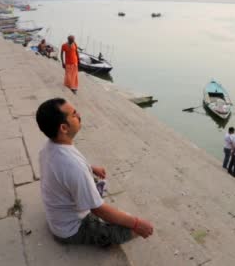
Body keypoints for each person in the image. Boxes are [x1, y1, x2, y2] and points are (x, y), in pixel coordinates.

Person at [36, 98, 153, 246]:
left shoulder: (49, 147)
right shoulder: (74, 167)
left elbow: (66, 169)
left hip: (58, 214)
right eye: (73, 114)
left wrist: (90, 168)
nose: (79, 115)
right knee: (131, 229)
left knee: (94, 185)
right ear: (64, 128)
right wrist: (137, 224)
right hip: (70, 230)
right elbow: (99, 210)